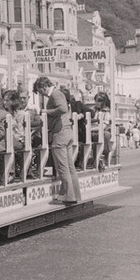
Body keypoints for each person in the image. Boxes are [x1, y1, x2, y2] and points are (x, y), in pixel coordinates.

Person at [33, 74, 80, 205]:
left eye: (40, 91)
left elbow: (62, 109)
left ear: (43, 87)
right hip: (67, 132)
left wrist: (45, 112)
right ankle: (73, 194)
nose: (41, 94)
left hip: (60, 134)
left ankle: (69, 197)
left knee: (63, 167)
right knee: (70, 167)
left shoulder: (55, 94)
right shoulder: (58, 93)